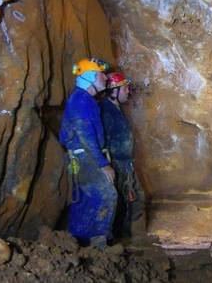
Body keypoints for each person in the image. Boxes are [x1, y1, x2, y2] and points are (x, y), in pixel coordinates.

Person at [59, 57, 117, 247]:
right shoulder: (80, 101)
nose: (106, 78)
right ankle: (95, 244)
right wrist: (103, 164)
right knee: (105, 194)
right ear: (91, 77)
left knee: (86, 199)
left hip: (85, 155)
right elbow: (85, 135)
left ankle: (78, 243)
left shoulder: (86, 100)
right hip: (85, 156)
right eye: (102, 74)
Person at [100, 71, 146, 239]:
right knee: (123, 203)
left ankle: (131, 238)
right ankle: (123, 239)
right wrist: (107, 165)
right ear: (114, 90)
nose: (128, 91)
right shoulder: (106, 111)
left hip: (126, 164)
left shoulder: (115, 109)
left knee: (134, 200)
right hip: (117, 165)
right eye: (125, 88)